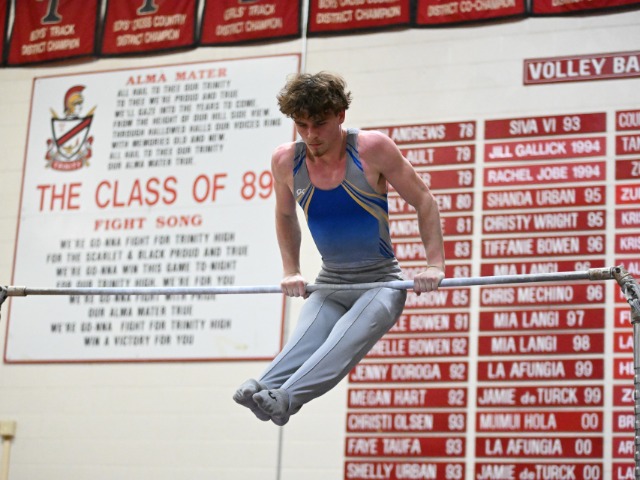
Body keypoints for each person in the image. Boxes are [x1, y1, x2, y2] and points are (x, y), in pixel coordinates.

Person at [233, 71, 445, 426]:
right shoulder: (285, 161)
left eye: (319, 124)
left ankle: (287, 398)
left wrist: (434, 264)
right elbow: (284, 214)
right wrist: (291, 270)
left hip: (381, 283)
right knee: (304, 340)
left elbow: (424, 199)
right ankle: (264, 385)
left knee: (342, 341)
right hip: (331, 282)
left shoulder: (371, 149)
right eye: (301, 125)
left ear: (341, 115)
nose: (310, 135)